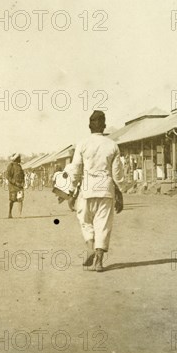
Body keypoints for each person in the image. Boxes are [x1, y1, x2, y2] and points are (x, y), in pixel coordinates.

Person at [71, 110, 124, 272]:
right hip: (106, 188)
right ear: (104, 126)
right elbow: (117, 173)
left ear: (89, 126)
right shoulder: (112, 145)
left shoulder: (82, 144)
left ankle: (89, 246)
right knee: (103, 224)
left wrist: (73, 189)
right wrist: (120, 192)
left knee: (85, 219)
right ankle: (99, 262)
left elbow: (76, 169)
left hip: (87, 188)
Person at [6, 153, 25, 218]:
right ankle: (10, 213)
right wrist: (14, 182)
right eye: (19, 158)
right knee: (12, 200)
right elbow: (8, 176)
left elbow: (22, 175)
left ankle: (20, 214)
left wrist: (22, 182)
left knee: (20, 199)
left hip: (20, 186)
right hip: (13, 186)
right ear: (16, 159)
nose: (20, 159)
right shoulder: (10, 166)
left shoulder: (20, 166)